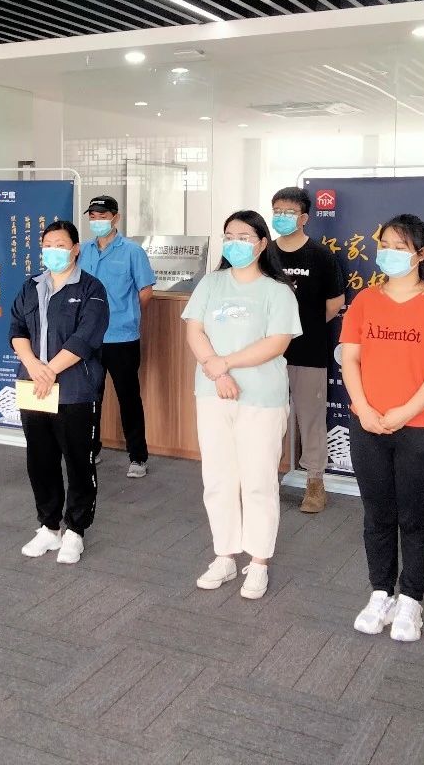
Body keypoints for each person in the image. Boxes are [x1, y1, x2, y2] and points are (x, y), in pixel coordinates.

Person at [340, 214, 424, 642]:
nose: (389, 253)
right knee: (377, 514)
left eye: (400, 247)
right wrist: (362, 408)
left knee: (414, 517)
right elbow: (350, 358)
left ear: (420, 254)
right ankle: (380, 593)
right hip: (368, 424)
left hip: (420, 427)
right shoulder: (365, 301)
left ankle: (411, 598)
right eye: (385, 245)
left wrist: (404, 412)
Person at [183, 211, 301, 601]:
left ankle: (259, 560)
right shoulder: (211, 283)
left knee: (258, 481)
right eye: (229, 236)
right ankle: (225, 555)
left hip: (261, 399)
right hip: (213, 394)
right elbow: (195, 330)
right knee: (218, 478)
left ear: (262, 243)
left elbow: (277, 343)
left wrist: (226, 364)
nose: (235, 243)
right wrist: (217, 371)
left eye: (244, 237)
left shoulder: (277, 292)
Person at [9, 220, 109, 565]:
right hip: (33, 388)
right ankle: (48, 527)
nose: (53, 250)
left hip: (74, 390)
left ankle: (75, 530)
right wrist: (33, 365)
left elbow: (85, 337)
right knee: (40, 460)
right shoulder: (31, 286)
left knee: (79, 462)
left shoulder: (91, 288)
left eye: (61, 244)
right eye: (48, 244)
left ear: (75, 249)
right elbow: (17, 329)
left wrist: (49, 370)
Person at [271, 186, 346, 513]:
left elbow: (335, 303)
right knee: (267, 418)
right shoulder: (264, 253)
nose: (281, 217)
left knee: (311, 419)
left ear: (303, 217)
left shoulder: (321, 256)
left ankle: (315, 482)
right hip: (267, 354)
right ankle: (265, 477)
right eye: (277, 211)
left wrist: (305, 326)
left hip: (309, 350)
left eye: (288, 212)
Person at [78, 194, 157, 479]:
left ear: (116, 218)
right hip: (89, 338)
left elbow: (145, 291)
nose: (97, 221)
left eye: (102, 216)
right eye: (93, 217)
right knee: (90, 397)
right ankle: (92, 449)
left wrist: (127, 315)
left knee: (128, 398)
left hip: (122, 337)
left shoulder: (132, 251)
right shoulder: (83, 250)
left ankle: (138, 457)